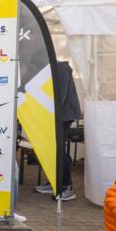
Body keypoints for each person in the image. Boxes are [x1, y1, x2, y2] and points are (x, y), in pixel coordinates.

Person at [35, 60, 81, 201]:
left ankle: (66, 186)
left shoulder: (59, 69)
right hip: (55, 115)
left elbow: (59, 96)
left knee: (58, 150)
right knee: (52, 149)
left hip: (62, 116)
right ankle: (54, 183)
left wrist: (47, 113)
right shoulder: (49, 68)